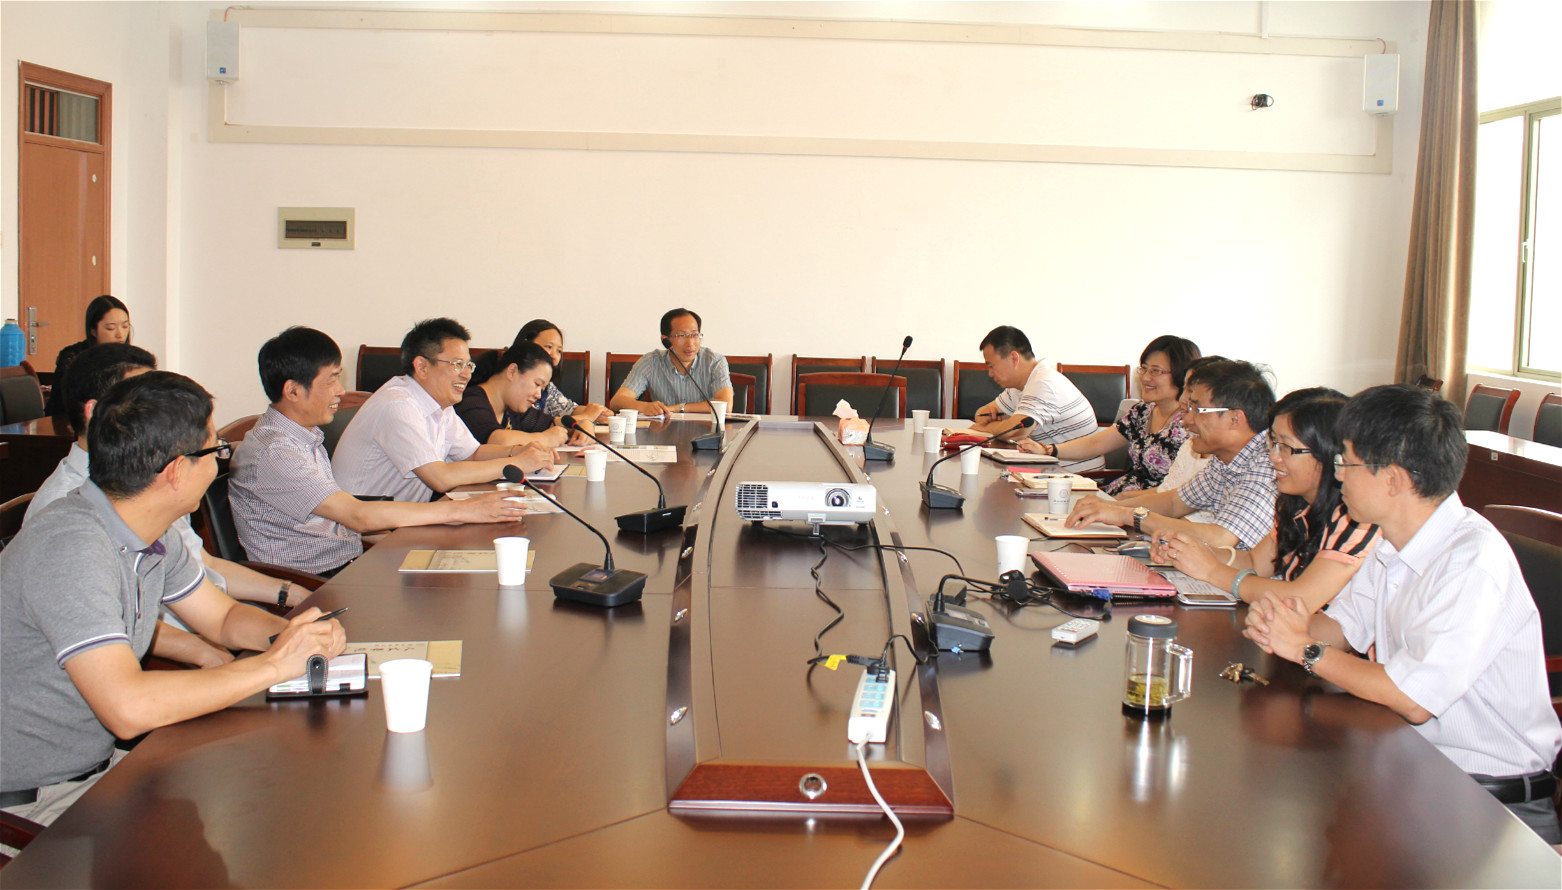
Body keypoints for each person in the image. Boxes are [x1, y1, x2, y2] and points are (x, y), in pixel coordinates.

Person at [1, 371, 346, 829]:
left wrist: (296, 636)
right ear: (176, 471)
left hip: (99, 771)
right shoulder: (72, 547)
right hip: (32, 805)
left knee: (279, 797)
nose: (220, 462)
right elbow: (128, 708)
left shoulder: (148, 529)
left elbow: (222, 618)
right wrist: (274, 666)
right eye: (214, 450)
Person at [1245, 384, 1562, 843]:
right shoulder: (1392, 541)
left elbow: (1412, 698)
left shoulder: (1471, 562)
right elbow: (1341, 627)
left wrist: (1305, 649)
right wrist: (1280, 626)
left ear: (1393, 480)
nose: (1337, 475)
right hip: (1412, 766)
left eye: (1346, 462)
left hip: (1490, 804)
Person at [24, 342, 309, 653]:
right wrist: (217, 656)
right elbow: (118, 670)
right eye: (141, 397)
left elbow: (218, 607)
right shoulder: (70, 526)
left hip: (203, 631)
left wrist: (298, 627)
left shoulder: (147, 506)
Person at [231, 327, 527, 576]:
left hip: (351, 557)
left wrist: (413, 544)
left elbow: (345, 526)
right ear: (293, 390)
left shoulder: (302, 437)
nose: (340, 391)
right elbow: (357, 516)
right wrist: (461, 510)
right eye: (332, 380)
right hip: (316, 581)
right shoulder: (276, 452)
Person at [1153, 387, 1380, 609]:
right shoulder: (1296, 504)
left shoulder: (1355, 519)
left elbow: (1299, 599)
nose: (1273, 457)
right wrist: (1188, 549)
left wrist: (1212, 571)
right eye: (1273, 444)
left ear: (1328, 452)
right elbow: (1255, 562)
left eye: (1286, 447)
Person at [331, 318, 553, 503]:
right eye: (457, 365)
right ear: (422, 367)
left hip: (401, 520)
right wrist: (517, 463)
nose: (466, 375)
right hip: (362, 533)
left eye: (468, 365)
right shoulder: (398, 405)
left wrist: (519, 451)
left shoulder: (440, 405)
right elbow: (440, 478)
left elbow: (473, 454)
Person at [1066, 359, 1276, 550]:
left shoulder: (1267, 465)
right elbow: (1175, 503)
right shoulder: (1225, 460)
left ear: (1235, 419)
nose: (1186, 421)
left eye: (1198, 410)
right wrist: (1109, 507)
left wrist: (1128, 515)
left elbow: (1220, 538)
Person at [1017, 335, 1199, 493]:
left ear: (1182, 376)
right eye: (1143, 368)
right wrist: (1048, 450)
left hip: (1149, 508)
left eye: (1155, 371)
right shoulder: (1143, 411)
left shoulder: (1191, 424)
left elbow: (1181, 493)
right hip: (1118, 496)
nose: (1145, 377)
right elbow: (1096, 443)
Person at [968, 325, 1101, 472]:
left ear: (1014, 358)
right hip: (1049, 471)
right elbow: (981, 415)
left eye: (991, 366)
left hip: (1079, 478)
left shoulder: (1043, 383)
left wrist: (986, 428)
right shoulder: (1019, 385)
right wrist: (997, 425)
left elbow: (1014, 432)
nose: (990, 374)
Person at [458, 339, 582, 450]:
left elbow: (551, 423)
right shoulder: (470, 402)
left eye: (542, 388)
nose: (538, 395)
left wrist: (580, 426)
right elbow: (496, 441)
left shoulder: (513, 408)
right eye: (537, 384)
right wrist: (544, 439)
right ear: (512, 371)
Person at [609, 308, 733, 416]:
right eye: (681, 336)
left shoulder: (714, 362)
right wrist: (645, 407)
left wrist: (679, 408)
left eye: (694, 335)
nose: (690, 343)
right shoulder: (650, 363)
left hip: (707, 432)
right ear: (665, 340)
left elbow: (725, 406)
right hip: (664, 432)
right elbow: (617, 401)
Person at [503, 319, 612, 434]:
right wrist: (587, 416)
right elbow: (535, 424)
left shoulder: (547, 387)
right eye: (548, 347)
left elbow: (567, 409)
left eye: (559, 351)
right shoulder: (513, 385)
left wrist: (597, 412)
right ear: (526, 346)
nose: (554, 356)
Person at [44, 295, 132, 418]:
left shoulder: (132, 358)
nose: (120, 334)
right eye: (111, 328)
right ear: (93, 331)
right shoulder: (74, 357)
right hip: (73, 421)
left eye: (125, 326)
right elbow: (66, 404)